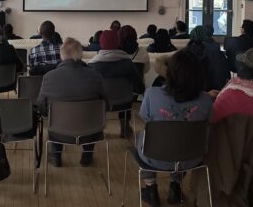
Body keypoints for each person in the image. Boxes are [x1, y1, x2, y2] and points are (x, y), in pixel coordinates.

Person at [138, 50, 213, 206]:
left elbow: (144, 116)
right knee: (183, 139)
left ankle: (151, 187)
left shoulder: (152, 94)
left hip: (155, 157)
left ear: (169, 72)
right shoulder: (206, 100)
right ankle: (175, 185)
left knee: (146, 136)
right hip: (192, 158)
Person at [37, 38, 105, 167]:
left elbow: (41, 106)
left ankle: (56, 155)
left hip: (59, 131)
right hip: (91, 131)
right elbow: (105, 103)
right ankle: (87, 154)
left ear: (62, 55)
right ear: (81, 54)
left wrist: (49, 114)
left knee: (55, 116)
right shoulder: (96, 75)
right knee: (91, 114)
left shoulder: (49, 77)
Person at [88, 30, 142, 138]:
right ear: (118, 42)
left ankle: (98, 128)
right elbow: (139, 86)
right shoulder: (128, 63)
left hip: (101, 104)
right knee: (127, 97)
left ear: (101, 43)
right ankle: (125, 125)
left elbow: (89, 89)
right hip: (124, 103)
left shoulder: (92, 65)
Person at [186, 26, 231, 91]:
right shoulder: (217, 51)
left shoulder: (187, 54)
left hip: (195, 91)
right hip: (217, 89)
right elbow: (225, 74)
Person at [118, 25, 149, 93]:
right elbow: (146, 70)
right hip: (138, 89)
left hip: (119, 91)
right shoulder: (143, 51)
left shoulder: (116, 53)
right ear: (135, 36)